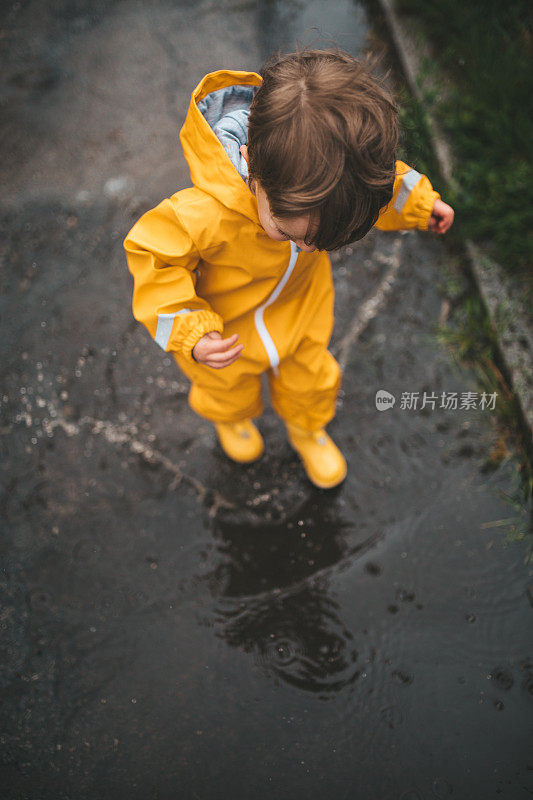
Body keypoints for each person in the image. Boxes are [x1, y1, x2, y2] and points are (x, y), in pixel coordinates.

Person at [124, 49, 454, 489]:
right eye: (288, 231)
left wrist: (417, 204)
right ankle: (234, 421)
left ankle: (306, 428)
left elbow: (382, 186)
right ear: (251, 165)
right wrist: (190, 330)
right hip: (226, 332)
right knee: (225, 387)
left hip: (303, 315)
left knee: (311, 382)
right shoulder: (201, 215)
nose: (306, 246)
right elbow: (154, 260)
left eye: (320, 239)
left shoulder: (338, 183)